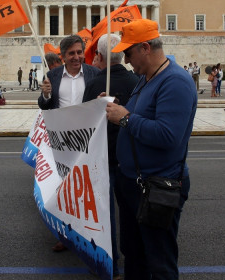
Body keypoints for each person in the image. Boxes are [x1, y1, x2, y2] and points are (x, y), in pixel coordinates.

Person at [105, 19, 197, 279]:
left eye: (128, 52)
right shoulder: (146, 78)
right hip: (134, 182)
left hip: (157, 184)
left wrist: (124, 118)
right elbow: (142, 114)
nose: (125, 59)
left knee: (159, 260)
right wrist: (115, 106)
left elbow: (168, 135)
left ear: (145, 47)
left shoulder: (175, 82)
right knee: (134, 254)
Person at [82, 34, 138, 279]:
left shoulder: (95, 85)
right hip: (129, 160)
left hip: (102, 160)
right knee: (130, 216)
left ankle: (111, 267)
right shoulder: (137, 81)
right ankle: (135, 265)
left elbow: (84, 124)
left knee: (105, 218)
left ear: (101, 56)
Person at [38, 34, 101, 252]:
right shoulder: (53, 75)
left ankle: (89, 236)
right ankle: (65, 235)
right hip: (61, 143)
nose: (77, 57)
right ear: (63, 56)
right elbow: (44, 106)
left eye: (79, 52)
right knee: (65, 192)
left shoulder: (95, 74)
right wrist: (45, 96)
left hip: (87, 142)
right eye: (71, 53)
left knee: (87, 191)